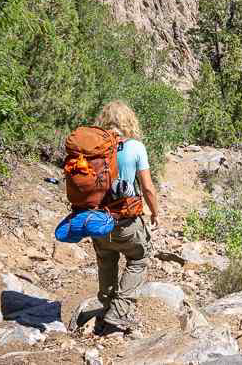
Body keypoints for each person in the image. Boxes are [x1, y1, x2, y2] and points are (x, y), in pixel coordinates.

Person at [90, 100, 161, 336]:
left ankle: (108, 304)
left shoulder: (94, 148)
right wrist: (155, 212)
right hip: (125, 220)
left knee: (106, 259)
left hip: (98, 220)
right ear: (129, 121)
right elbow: (148, 187)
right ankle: (119, 311)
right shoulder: (135, 147)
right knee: (139, 258)